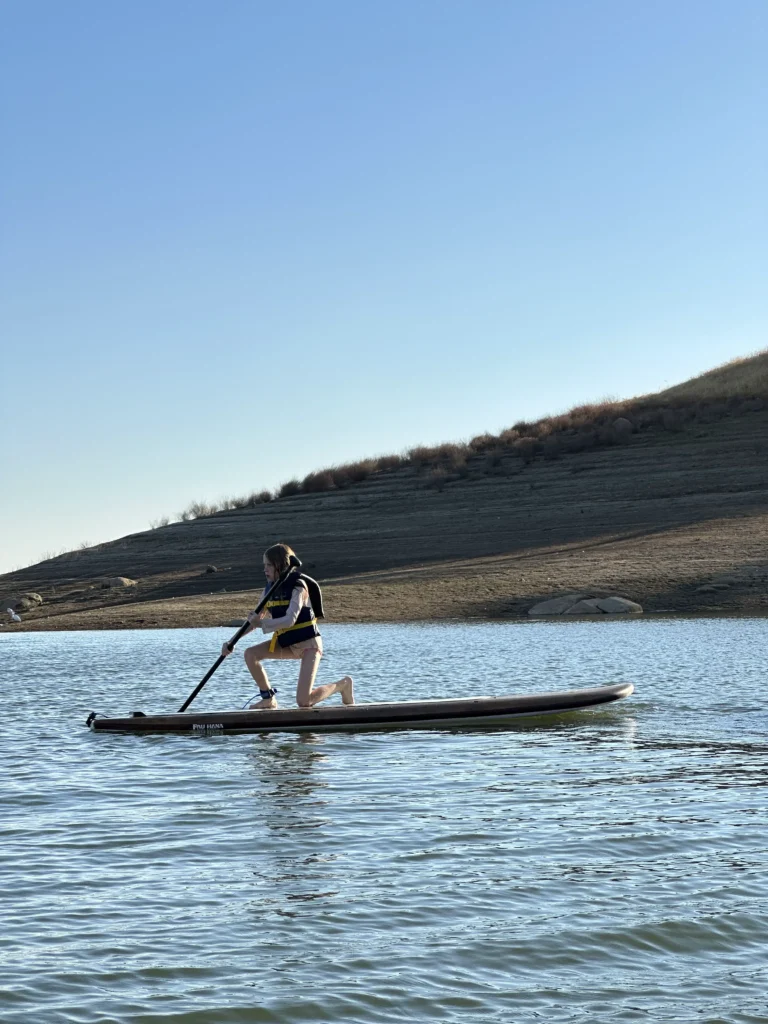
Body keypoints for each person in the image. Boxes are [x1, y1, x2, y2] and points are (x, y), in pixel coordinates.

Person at [221, 543, 354, 710]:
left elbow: (290, 619)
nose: (265, 569)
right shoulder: (268, 591)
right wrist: (231, 642)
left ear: (281, 565)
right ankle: (268, 699)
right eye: (264, 565)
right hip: (287, 643)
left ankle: (343, 685)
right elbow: (253, 622)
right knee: (250, 654)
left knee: (304, 701)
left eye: (269, 565)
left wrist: (261, 623)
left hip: (309, 645)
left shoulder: (299, 587)